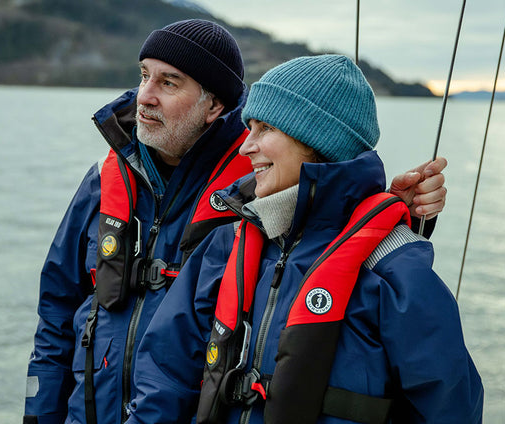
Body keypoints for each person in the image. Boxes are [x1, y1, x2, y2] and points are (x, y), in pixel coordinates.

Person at [23, 19, 450, 424]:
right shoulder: (105, 181)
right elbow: (57, 313)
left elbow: (328, 193)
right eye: (143, 76)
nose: (144, 96)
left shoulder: (252, 200)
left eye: (168, 82)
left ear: (214, 106)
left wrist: (397, 210)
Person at [126, 55, 482, 424]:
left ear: (317, 143)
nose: (246, 147)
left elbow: (450, 409)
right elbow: (163, 379)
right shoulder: (223, 247)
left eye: (265, 129)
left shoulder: (393, 268)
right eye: (249, 128)